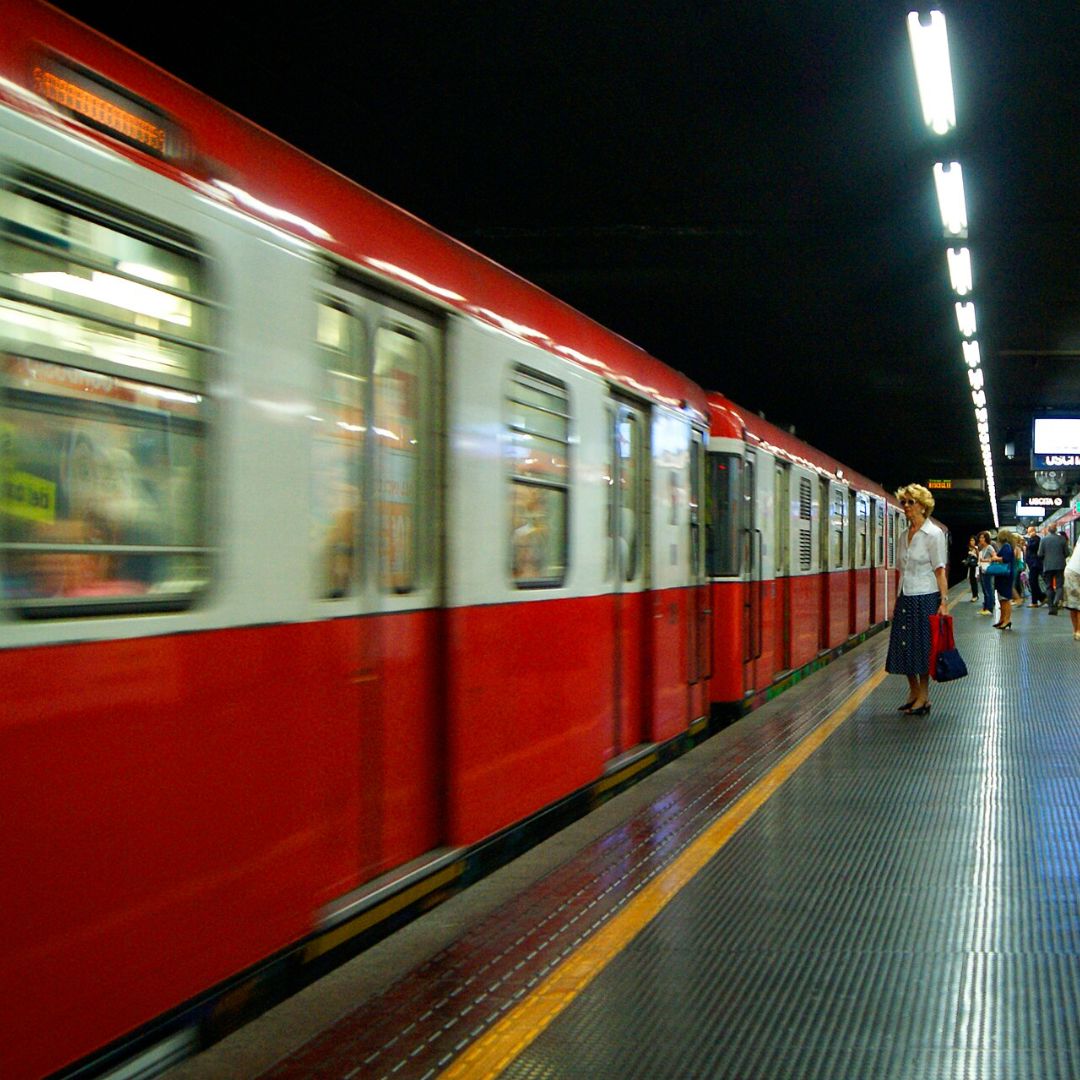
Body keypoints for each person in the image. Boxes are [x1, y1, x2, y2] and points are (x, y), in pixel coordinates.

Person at [885, 484, 948, 716]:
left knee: (921, 649)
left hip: (926, 596)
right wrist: (897, 597)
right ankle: (912, 692)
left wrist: (944, 601)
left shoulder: (933, 534)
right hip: (906, 596)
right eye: (904, 502)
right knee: (903, 646)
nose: (906, 507)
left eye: (911, 502)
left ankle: (924, 696)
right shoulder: (904, 536)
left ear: (923, 506)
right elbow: (901, 569)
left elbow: (939, 569)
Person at [1038, 523, 1071, 614]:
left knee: (1049, 586)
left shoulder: (1044, 540)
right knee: (1059, 585)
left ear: (1048, 529)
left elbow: (1040, 554)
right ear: (1056, 529)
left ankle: (1051, 606)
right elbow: (1067, 553)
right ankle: (1056, 602)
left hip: (1048, 566)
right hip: (1060, 566)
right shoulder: (1062, 539)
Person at [988, 530, 1016, 629]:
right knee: (1001, 598)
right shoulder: (1008, 546)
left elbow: (1006, 559)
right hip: (1003, 576)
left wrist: (995, 558)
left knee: (1005, 599)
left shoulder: (1006, 546)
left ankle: (1007, 620)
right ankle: (1002, 619)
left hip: (1005, 576)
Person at [976, 530, 997, 616]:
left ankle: (989, 608)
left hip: (987, 570)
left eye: (982, 537)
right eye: (980, 537)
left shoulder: (989, 547)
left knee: (989, 589)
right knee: (984, 589)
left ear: (986, 539)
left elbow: (995, 557)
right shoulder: (982, 548)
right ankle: (985, 607)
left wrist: (986, 560)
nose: (981, 539)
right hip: (982, 570)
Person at [1025, 524, 1045, 607]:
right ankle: (1039, 598)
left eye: (1030, 531)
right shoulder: (1032, 539)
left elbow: (1031, 547)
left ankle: (1037, 600)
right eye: (1028, 532)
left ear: (1034, 531)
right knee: (1033, 582)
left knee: (1032, 582)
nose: (1029, 533)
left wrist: (1028, 541)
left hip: (1035, 564)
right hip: (1032, 564)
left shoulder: (1036, 539)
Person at [1064, 539, 1080, 640]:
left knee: (1073, 604)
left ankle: (1076, 631)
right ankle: (1079, 631)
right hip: (1076, 572)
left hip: (1070, 570)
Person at [965, 535, 980, 601]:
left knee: (974, 581)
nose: (971, 542)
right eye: (971, 540)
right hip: (971, 567)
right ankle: (974, 595)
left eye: (973, 540)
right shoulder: (970, 548)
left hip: (975, 567)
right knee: (971, 581)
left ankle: (975, 595)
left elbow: (979, 557)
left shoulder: (976, 548)